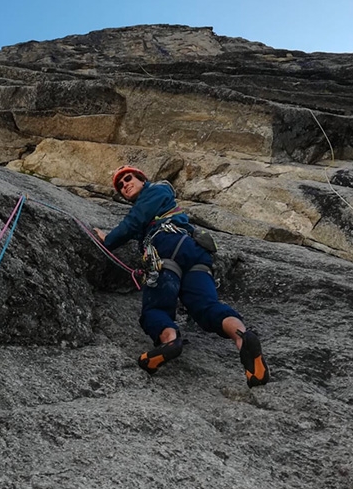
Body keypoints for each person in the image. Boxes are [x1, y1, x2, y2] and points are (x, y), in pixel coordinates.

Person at [95, 165, 269, 386]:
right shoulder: (161, 200)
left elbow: (133, 222)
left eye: (128, 179)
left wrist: (108, 239)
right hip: (195, 254)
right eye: (120, 186)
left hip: (167, 247)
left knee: (156, 307)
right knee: (207, 307)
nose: (124, 185)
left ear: (142, 179)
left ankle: (170, 341)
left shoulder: (156, 191)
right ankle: (243, 338)